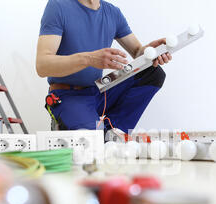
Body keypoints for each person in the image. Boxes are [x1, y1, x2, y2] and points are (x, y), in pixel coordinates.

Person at [36, 0, 171, 134]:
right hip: (68, 95)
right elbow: (42, 66)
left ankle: (112, 132)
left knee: (152, 72)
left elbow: (137, 52)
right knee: (93, 142)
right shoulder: (58, 6)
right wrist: (89, 59)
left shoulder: (113, 12)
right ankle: (84, 128)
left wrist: (150, 51)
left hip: (100, 90)